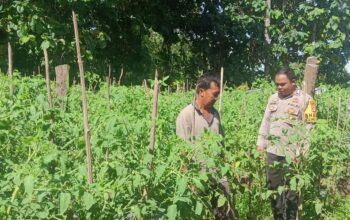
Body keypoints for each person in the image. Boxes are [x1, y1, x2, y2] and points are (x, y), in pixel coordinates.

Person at [256, 67, 317, 220]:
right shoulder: (273, 98)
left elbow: (310, 129)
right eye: (277, 84)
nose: (279, 87)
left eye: (283, 84)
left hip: (292, 156)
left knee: (291, 194)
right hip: (273, 152)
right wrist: (261, 143)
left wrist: (300, 154)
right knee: (274, 191)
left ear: (293, 82)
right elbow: (266, 121)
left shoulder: (307, 100)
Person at [176, 74, 235, 219]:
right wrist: (189, 179)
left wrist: (227, 167)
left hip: (218, 175)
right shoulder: (186, 115)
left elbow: (222, 144)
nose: (216, 98)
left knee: (227, 214)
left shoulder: (215, 114)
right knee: (199, 214)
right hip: (198, 177)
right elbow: (182, 151)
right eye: (214, 94)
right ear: (202, 91)